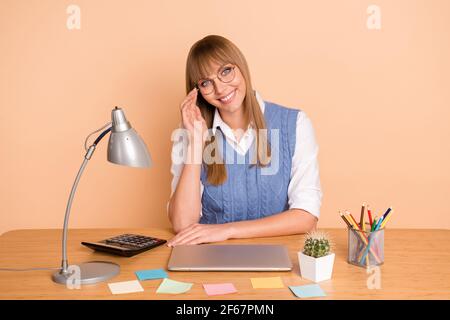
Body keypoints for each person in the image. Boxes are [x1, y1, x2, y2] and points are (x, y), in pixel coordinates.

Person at [167, 35, 322, 246]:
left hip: (277, 254)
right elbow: (183, 225)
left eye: (226, 71)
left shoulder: (294, 124)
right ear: (198, 92)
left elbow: (306, 217)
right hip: (211, 256)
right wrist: (196, 143)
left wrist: (228, 230)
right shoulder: (190, 132)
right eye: (206, 83)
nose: (220, 89)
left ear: (241, 67)